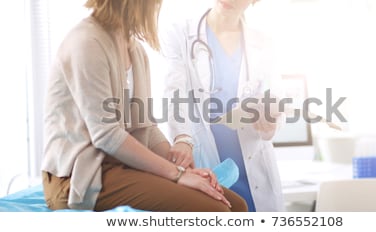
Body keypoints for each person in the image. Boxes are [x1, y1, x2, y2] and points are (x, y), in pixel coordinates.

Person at [41, 0, 247, 212]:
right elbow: (106, 135)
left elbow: (146, 126)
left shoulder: (135, 50)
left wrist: (181, 167)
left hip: (118, 167)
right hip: (79, 177)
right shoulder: (87, 42)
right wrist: (177, 174)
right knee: (217, 211)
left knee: (237, 206)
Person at [160, 0, 285, 211]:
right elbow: (173, 93)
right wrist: (182, 138)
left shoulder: (263, 43)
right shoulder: (180, 35)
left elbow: (275, 98)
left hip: (253, 168)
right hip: (207, 163)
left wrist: (270, 123)